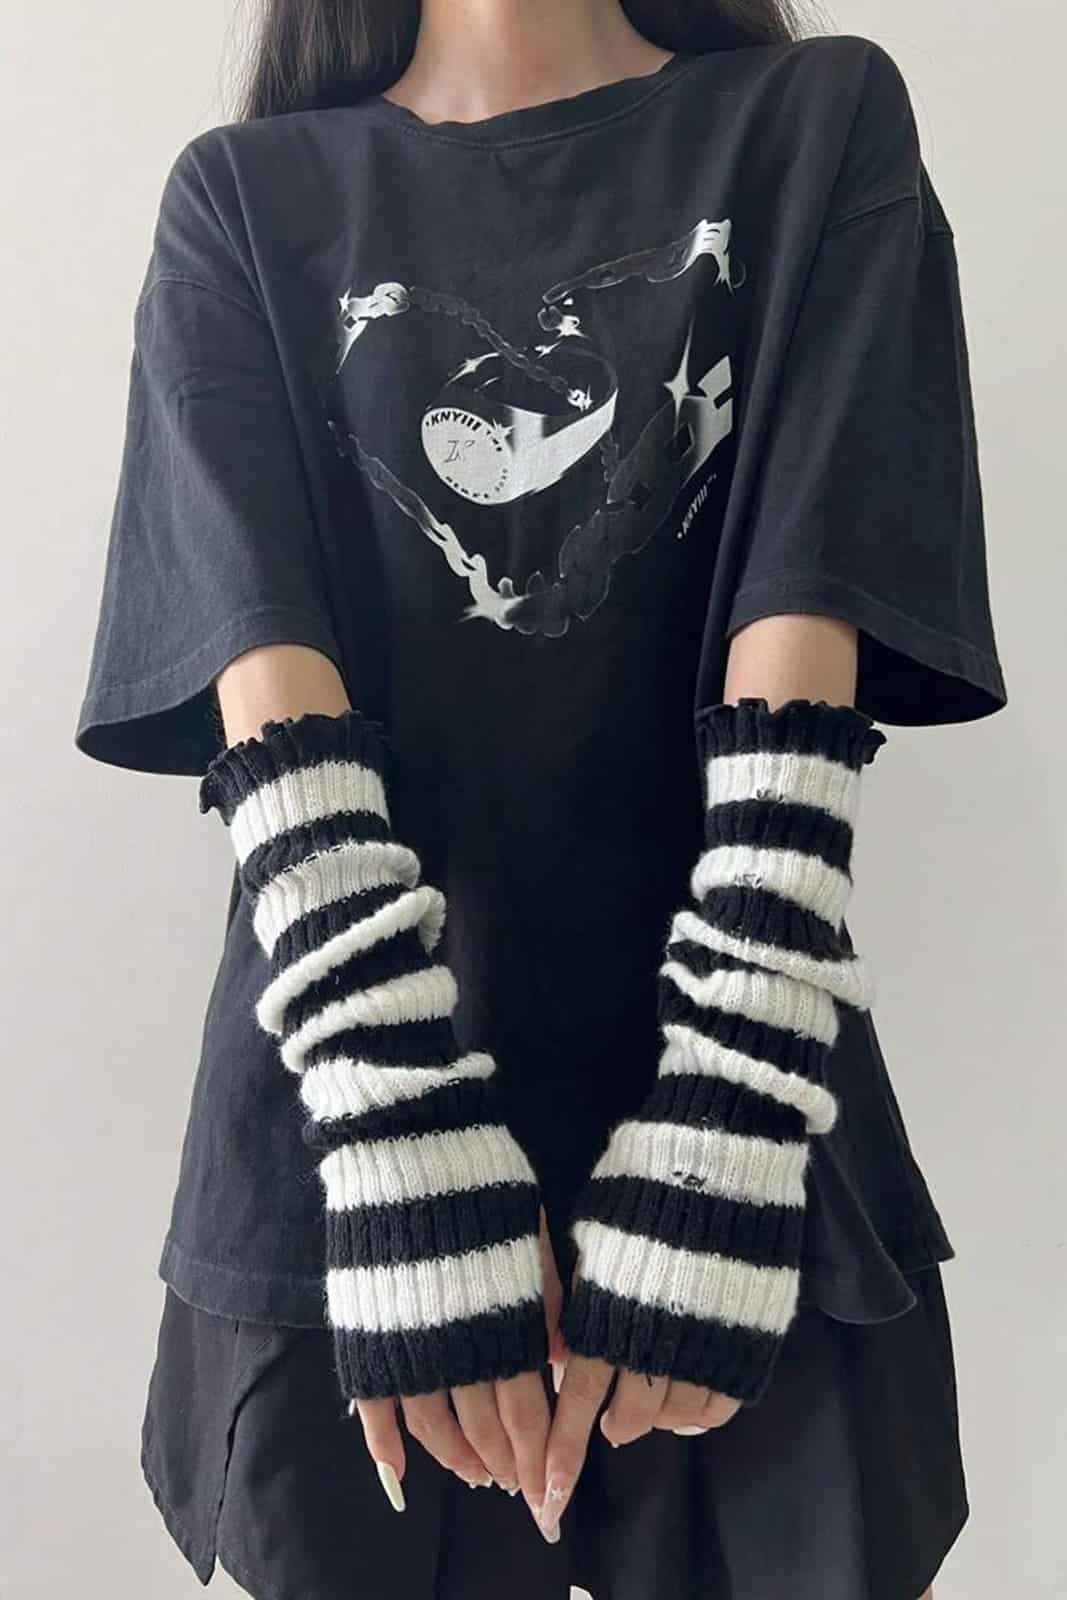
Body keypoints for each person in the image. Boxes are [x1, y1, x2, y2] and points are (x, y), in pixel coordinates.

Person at [74, 2, 1007, 1597]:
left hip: (739, 1106)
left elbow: (807, 623)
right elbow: (265, 681)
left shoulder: (814, 127)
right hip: (355, 1133)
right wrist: (399, 1131)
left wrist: (724, 1121)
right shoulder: (244, 199)